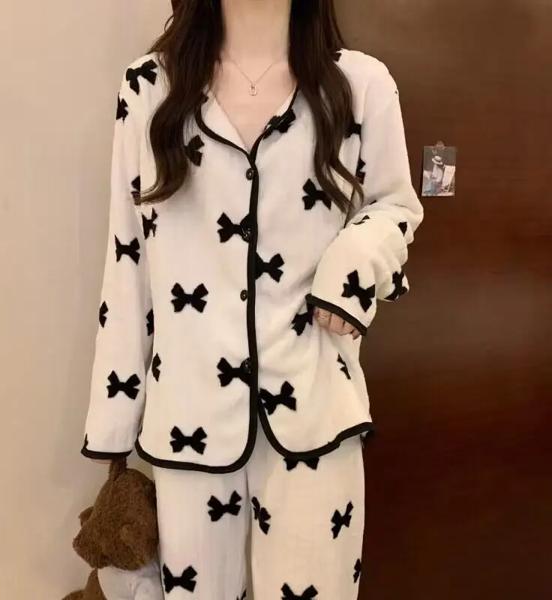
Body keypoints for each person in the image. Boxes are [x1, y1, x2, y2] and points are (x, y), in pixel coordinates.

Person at [79, 1, 424, 598]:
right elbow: (128, 258)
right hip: (188, 416)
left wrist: (350, 267)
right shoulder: (150, 89)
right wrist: (115, 423)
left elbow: (396, 207)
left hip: (316, 413)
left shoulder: (360, 85)